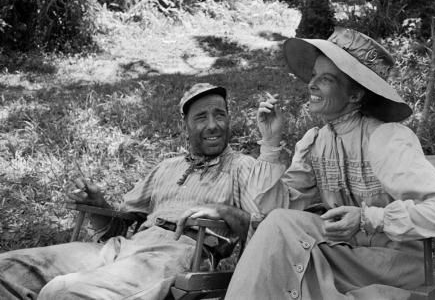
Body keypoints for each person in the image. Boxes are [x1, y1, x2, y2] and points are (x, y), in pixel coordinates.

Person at [225, 28, 435, 299]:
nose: (312, 84)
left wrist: (367, 218)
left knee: (284, 232)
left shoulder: (386, 139)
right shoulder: (316, 142)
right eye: (314, 75)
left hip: (394, 262)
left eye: (326, 79)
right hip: (347, 254)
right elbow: (269, 211)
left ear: (355, 95)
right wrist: (271, 143)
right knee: (279, 226)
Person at [0, 83, 267, 300]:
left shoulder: (243, 167)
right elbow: (119, 225)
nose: (213, 125)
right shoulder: (167, 167)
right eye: (201, 117)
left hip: (180, 254)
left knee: (63, 291)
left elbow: (267, 232)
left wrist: (223, 211)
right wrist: (100, 203)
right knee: (6, 268)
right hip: (126, 247)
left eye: (220, 115)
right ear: (184, 126)